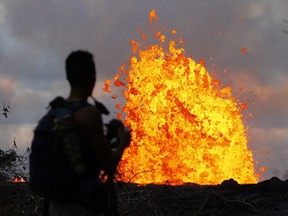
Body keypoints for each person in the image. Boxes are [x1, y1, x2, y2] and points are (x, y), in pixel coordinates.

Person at [47, 50, 131, 215]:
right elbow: (108, 165)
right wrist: (123, 143)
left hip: (55, 204)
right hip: (80, 205)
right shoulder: (89, 114)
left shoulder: (55, 111)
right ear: (92, 77)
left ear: (68, 77)